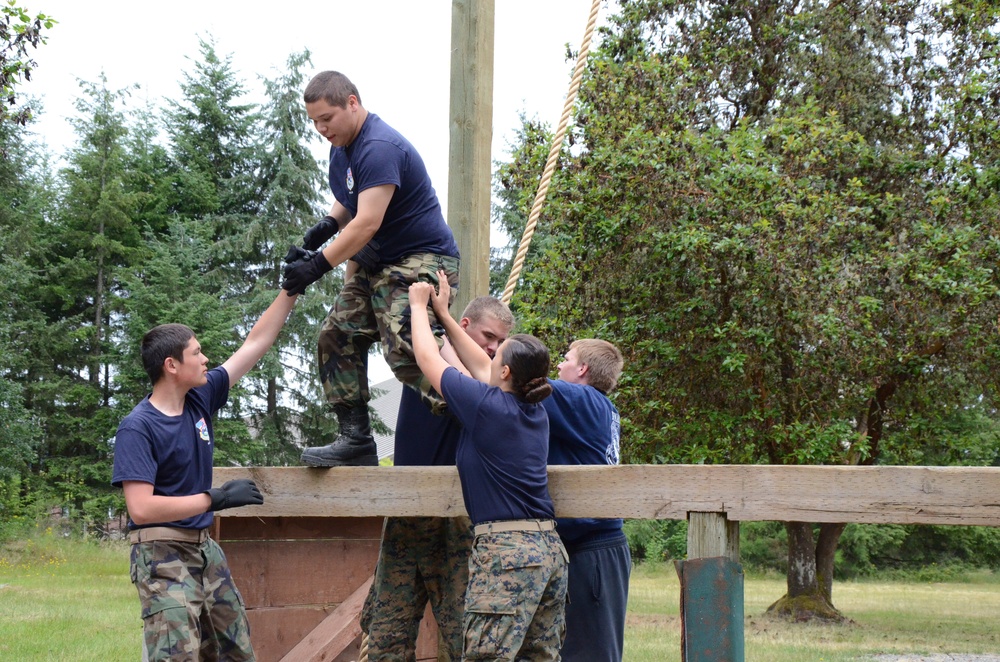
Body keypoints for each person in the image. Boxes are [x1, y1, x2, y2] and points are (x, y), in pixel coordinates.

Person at [281, 70, 460, 468]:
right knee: (336, 335)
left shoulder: (378, 145)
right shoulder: (342, 146)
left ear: (352, 103)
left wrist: (314, 266)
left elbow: (366, 223)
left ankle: (475, 414)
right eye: (313, 121)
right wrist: (325, 227)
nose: (321, 128)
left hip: (422, 257)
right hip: (377, 261)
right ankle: (356, 439)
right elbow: (351, 203)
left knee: (404, 342)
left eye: (326, 118)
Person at [111, 290, 298, 661]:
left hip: (205, 551)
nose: (205, 359)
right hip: (161, 556)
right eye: (196, 353)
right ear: (172, 365)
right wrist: (216, 498)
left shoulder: (199, 398)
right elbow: (141, 508)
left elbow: (256, 341)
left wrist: (292, 289)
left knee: (236, 654)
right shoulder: (138, 428)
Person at [408, 274, 568, 661]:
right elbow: (482, 365)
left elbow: (428, 358)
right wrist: (445, 315)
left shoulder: (486, 407)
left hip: (508, 553)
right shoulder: (535, 409)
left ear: (507, 373)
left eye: (498, 355)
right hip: (550, 553)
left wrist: (417, 306)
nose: (490, 357)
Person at [361, 296, 515, 661]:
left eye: (499, 343)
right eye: (488, 336)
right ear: (463, 326)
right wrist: (426, 305)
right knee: (386, 638)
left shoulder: (487, 386)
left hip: (454, 520)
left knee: (466, 638)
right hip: (405, 516)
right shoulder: (427, 363)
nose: (493, 348)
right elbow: (422, 345)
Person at [543, 339, 631, 662]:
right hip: (597, 548)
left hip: (592, 551)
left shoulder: (579, 399)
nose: (558, 365)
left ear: (582, 369)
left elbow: (520, 382)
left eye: (566, 359)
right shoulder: (600, 407)